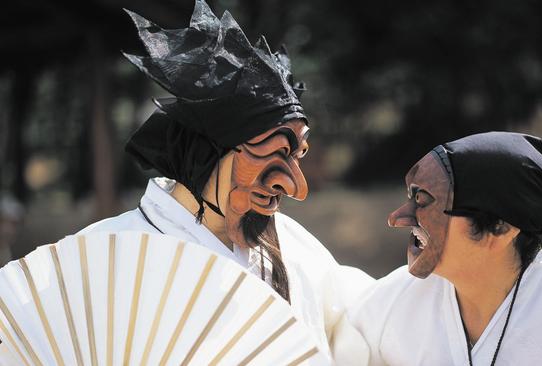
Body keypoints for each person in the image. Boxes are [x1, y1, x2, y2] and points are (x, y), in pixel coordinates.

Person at [0, 1, 373, 364]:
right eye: (273, 155)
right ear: (207, 151)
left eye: (298, 155)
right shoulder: (105, 258)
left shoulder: (298, 253)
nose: (295, 187)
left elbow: (373, 327)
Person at [350, 131, 542, 365]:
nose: (398, 218)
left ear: (501, 227)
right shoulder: (389, 305)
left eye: (425, 201)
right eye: (411, 196)